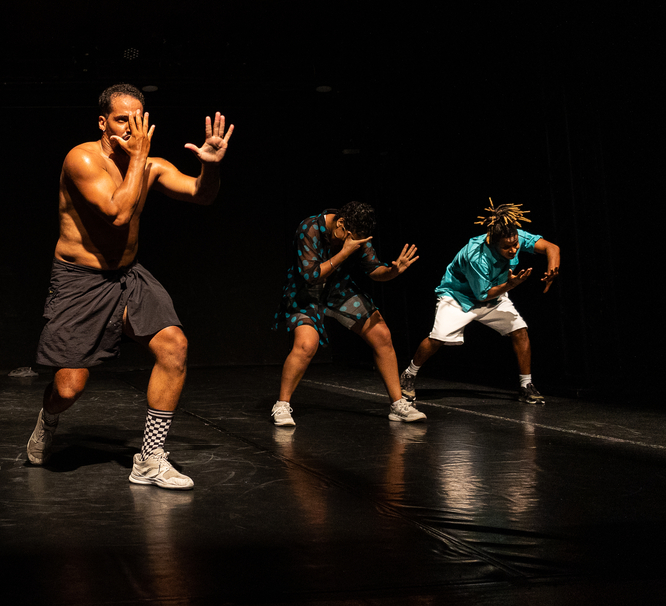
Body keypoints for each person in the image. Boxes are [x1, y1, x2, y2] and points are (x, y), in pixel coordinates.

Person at [24, 83, 233, 490]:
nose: (131, 129)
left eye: (138, 120)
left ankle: (150, 459)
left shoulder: (149, 164)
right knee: (69, 387)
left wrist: (210, 165)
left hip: (127, 275)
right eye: (122, 120)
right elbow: (118, 214)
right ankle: (48, 420)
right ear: (103, 122)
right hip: (79, 281)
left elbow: (200, 194)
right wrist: (139, 157)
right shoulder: (81, 159)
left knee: (174, 345)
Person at [271, 203, 426, 426]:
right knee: (306, 345)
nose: (356, 243)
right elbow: (310, 277)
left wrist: (392, 271)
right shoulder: (309, 228)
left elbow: (374, 270)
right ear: (341, 224)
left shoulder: (357, 234)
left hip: (338, 290)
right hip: (305, 293)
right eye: (351, 238)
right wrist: (344, 252)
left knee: (381, 334)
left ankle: (398, 404)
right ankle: (282, 405)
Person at [400, 200, 560, 404]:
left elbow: (551, 248)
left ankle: (525, 385)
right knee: (438, 338)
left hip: (494, 292)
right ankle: (409, 374)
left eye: (516, 245)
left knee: (520, 330)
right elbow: (483, 295)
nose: (513, 250)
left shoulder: (513, 235)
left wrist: (552, 269)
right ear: (493, 242)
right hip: (459, 298)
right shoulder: (475, 255)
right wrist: (511, 285)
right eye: (507, 247)